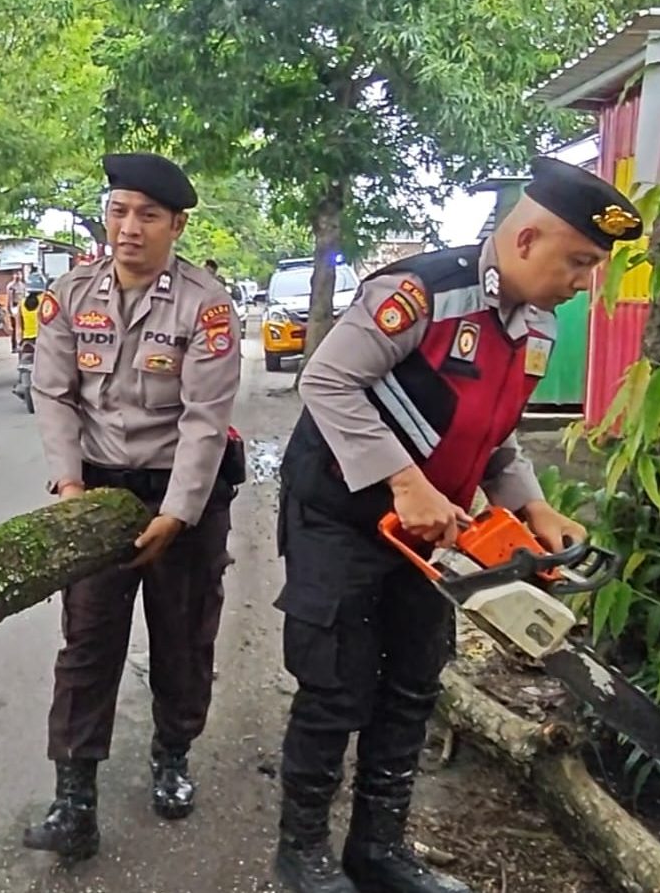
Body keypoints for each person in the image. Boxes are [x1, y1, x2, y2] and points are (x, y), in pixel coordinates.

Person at [271, 156, 640, 893]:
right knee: (336, 686)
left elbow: (494, 435)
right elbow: (327, 379)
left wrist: (531, 503)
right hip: (343, 515)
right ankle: (302, 851)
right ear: (528, 239)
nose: (582, 282)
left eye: (592, 267)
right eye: (578, 261)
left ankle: (378, 849)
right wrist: (403, 481)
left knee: (412, 683)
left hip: (431, 533)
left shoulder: (535, 328)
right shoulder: (422, 294)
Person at [23, 152, 242, 862]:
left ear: (175, 224)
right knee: (87, 645)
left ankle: (172, 755)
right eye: (119, 211)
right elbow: (53, 392)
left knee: (183, 640)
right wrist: (68, 486)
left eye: (148, 215)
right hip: (97, 494)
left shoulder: (205, 305)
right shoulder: (68, 294)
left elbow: (206, 418)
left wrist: (177, 513)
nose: (129, 227)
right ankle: (75, 800)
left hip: (186, 496)